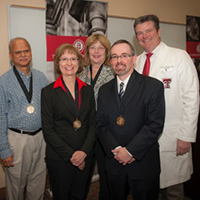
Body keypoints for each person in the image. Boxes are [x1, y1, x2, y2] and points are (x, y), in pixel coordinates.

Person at [134, 14, 200, 200]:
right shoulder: (137, 62)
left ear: (159, 31)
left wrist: (185, 137)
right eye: (139, 33)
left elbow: (192, 99)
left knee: (173, 192)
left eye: (148, 31)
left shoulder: (179, 57)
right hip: (145, 141)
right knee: (150, 190)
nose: (144, 36)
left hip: (172, 139)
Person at [97, 39, 165, 200]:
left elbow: (155, 124)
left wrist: (130, 151)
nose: (119, 61)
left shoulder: (153, 86)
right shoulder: (104, 90)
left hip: (143, 163)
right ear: (110, 61)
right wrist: (117, 150)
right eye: (114, 56)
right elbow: (100, 124)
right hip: (115, 162)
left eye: (124, 55)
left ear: (134, 58)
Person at [41, 43, 96, 200]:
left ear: (79, 62)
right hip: (60, 157)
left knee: (80, 195)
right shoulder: (48, 92)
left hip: (85, 154)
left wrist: (84, 152)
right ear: (58, 63)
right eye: (64, 59)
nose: (69, 63)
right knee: (62, 196)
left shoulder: (88, 90)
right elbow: (48, 129)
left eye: (73, 59)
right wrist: (72, 155)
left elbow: (93, 123)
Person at [0, 37, 48, 200]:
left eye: (26, 51)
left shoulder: (41, 77)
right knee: (16, 186)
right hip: (17, 140)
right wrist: (3, 148)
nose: (23, 55)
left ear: (31, 53)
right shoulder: (3, 82)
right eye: (18, 52)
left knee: (38, 183)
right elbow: (0, 117)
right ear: (11, 55)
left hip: (40, 138)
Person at [78, 33, 114, 200]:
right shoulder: (80, 74)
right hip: (85, 132)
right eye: (93, 47)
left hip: (104, 131)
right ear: (87, 51)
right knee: (82, 174)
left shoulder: (113, 73)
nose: (97, 51)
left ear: (107, 52)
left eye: (101, 48)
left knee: (106, 174)